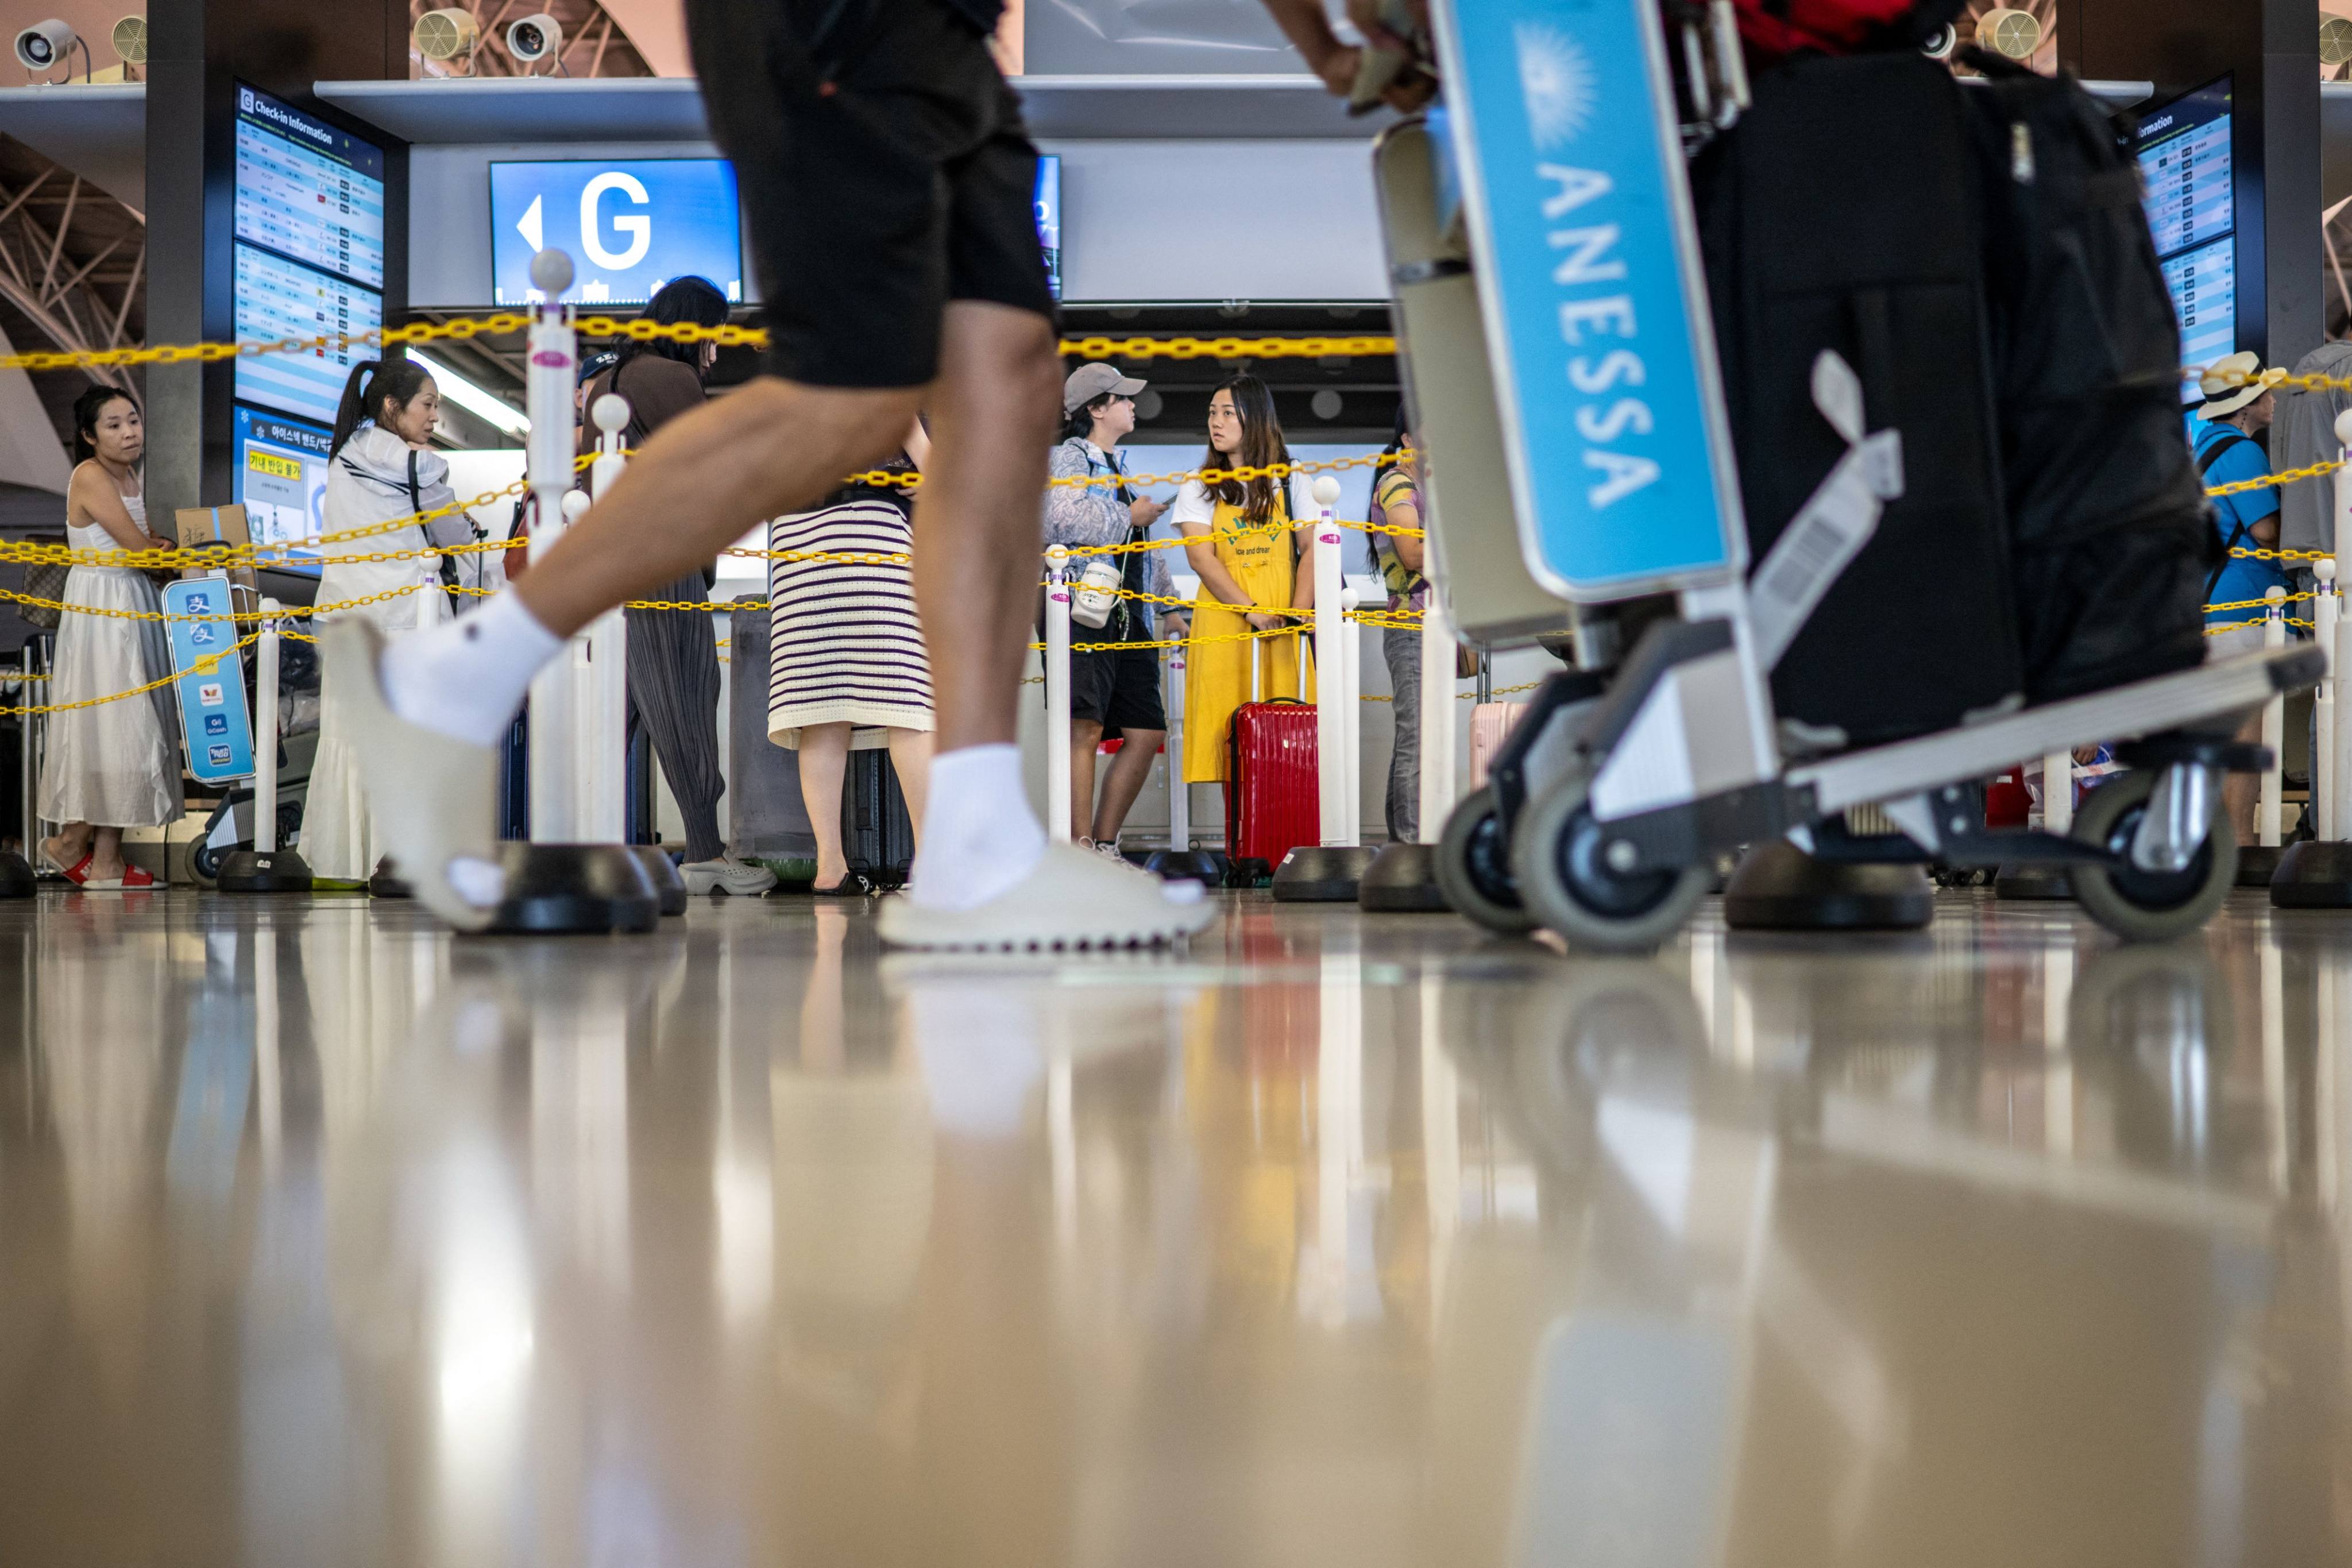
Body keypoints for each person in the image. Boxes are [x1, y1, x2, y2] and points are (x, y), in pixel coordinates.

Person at [322, 0, 1212, 948]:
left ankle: (982, 842)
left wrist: (1331, 37)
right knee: (855, 396)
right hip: (842, 24)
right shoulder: (665, 373)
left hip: (946, 47)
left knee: (1010, 376)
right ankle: (462, 673)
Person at [578, 275, 774, 898]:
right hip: (661, 562)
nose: (716, 349)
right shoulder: (670, 377)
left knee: (625, 710)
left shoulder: (609, 380)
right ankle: (707, 854)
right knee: (689, 696)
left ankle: (587, 845)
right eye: (713, 334)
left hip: (610, 568)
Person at [306, 359, 461, 887]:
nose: (435, 416)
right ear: (393, 407)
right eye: (428, 404)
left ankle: (342, 861)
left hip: (345, 620)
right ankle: (404, 860)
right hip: (406, 623)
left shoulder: (345, 453)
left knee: (347, 740)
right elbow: (459, 538)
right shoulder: (424, 467)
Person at [768, 427, 935, 895]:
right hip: (868, 528)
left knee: (821, 707)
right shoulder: (883, 359)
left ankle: (830, 867)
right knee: (907, 703)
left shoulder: (788, 369)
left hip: (794, 538)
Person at [36, 387, 180, 888]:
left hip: (130, 600)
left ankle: (95, 856)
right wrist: (163, 552)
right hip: (104, 609)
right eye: (114, 424)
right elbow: (141, 551)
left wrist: (155, 549)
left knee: (126, 730)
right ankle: (84, 851)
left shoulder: (129, 474)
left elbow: (143, 546)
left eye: (133, 420)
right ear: (88, 436)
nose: (129, 432)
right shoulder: (92, 475)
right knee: (116, 726)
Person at [1043, 362, 1189, 852]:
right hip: (1084, 609)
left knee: (1146, 731)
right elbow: (1058, 519)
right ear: (1096, 409)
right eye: (1122, 398)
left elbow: (1144, 550)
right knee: (1082, 726)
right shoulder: (1069, 458)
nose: (1132, 405)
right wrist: (1128, 514)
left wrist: (1169, 607)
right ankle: (1079, 847)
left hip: (1131, 616)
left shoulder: (1119, 467)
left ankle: (1104, 844)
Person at [1176, 375, 1316, 789]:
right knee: (1229, 730)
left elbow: (1311, 548)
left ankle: (1282, 841)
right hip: (1225, 617)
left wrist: (1295, 614)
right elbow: (1201, 558)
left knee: (1288, 731)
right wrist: (1250, 611)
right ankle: (1241, 842)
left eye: (1227, 414)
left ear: (1254, 419)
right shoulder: (1199, 482)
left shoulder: (1291, 478)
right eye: (1211, 414)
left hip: (1283, 616)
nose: (1215, 423)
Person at [2192, 350, 2284, 844]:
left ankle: (2210, 843)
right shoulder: (2243, 451)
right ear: (2245, 406)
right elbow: (2265, 529)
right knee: (2246, 731)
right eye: (2265, 392)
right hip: (2243, 608)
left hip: (2203, 610)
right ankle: (2241, 844)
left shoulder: (2199, 448)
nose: (2273, 399)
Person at [1369, 408, 1430, 843]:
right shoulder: (1397, 485)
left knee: (1415, 737)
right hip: (1411, 625)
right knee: (1417, 740)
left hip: (1430, 626)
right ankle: (1410, 847)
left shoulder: (1425, 488)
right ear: (1407, 440)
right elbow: (1412, 553)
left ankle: (1401, 844)